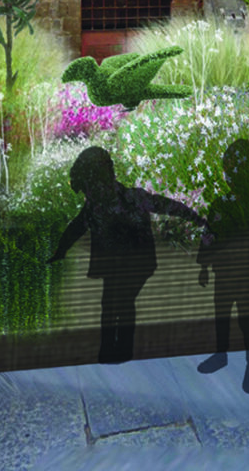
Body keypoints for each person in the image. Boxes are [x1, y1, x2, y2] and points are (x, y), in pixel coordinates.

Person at [45, 146, 204, 364]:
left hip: (136, 263)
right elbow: (75, 228)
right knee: (112, 303)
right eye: (88, 190)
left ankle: (120, 350)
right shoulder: (97, 206)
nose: (90, 194)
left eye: (90, 187)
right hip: (118, 265)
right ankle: (111, 350)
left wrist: (194, 218)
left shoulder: (131, 198)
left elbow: (166, 205)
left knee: (121, 302)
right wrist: (61, 251)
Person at [196, 138, 249, 394]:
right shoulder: (237, 205)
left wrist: (204, 265)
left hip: (242, 274)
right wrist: (204, 265)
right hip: (230, 273)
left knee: (242, 318)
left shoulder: (241, 206)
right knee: (230, 316)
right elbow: (211, 236)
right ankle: (228, 357)